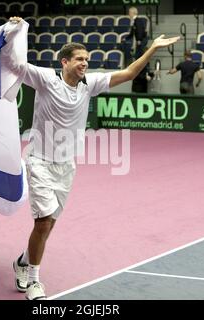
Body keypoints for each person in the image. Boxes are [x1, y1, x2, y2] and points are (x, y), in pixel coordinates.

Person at [9, 16, 180, 300]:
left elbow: (128, 74)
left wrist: (152, 47)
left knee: (49, 224)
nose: (84, 63)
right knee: (44, 221)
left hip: (66, 166)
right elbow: (14, 65)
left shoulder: (90, 83)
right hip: (39, 160)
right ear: (64, 62)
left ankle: (22, 262)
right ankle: (35, 282)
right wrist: (14, 32)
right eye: (79, 59)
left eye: (87, 58)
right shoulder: (45, 78)